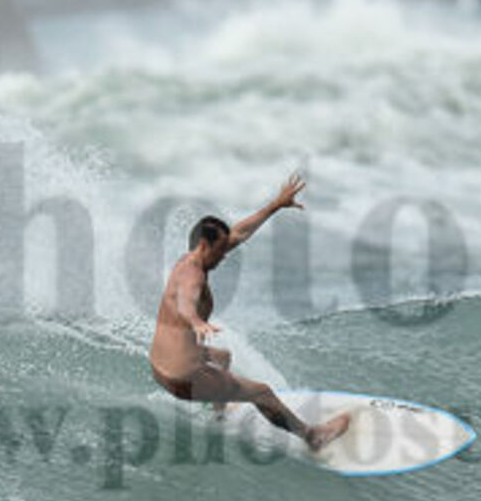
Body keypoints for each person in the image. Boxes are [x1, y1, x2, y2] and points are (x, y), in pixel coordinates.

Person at [148, 172, 351, 452]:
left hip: (161, 367)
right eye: (221, 250)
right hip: (182, 380)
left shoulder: (190, 261)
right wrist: (195, 322)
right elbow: (186, 301)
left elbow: (239, 234)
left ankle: (219, 414)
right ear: (205, 245)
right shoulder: (192, 275)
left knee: (223, 357)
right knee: (262, 393)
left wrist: (276, 205)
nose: (225, 255)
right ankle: (312, 436)